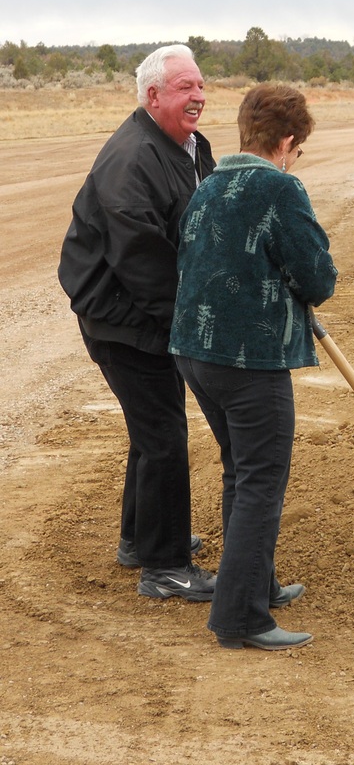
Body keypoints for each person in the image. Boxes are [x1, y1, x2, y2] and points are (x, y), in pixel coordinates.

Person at [169, 84, 338, 649]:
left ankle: (256, 584)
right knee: (262, 478)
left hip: (195, 354)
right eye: (299, 147)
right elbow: (317, 276)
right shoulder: (280, 187)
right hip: (248, 360)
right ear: (287, 141)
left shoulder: (208, 186)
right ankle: (241, 618)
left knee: (240, 470)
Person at [58, 45, 217, 602]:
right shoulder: (131, 160)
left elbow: (207, 222)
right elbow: (143, 262)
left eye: (200, 85)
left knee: (153, 431)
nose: (198, 96)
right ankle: (165, 566)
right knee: (165, 438)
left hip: (145, 310)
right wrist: (190, 326)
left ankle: (138, 539)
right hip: (121, 316)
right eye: (184, 88)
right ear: (153, 96)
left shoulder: (190, 148)